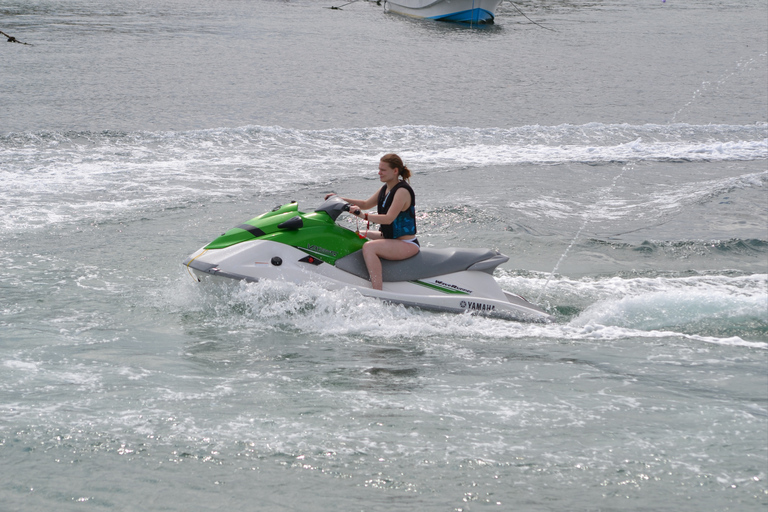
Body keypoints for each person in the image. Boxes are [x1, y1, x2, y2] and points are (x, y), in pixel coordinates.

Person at [325, 153, 419, 291]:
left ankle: (377, 290)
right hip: (388, 238)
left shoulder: (402, 191)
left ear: (395, 171)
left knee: (369, 247)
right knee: (353, 234)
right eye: (379, 169)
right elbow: (365, 203)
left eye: (383, 170)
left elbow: (388, 219)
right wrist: (339, 199)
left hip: (406, 243)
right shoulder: (385, 188)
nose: (379, 172)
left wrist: (363, 216)